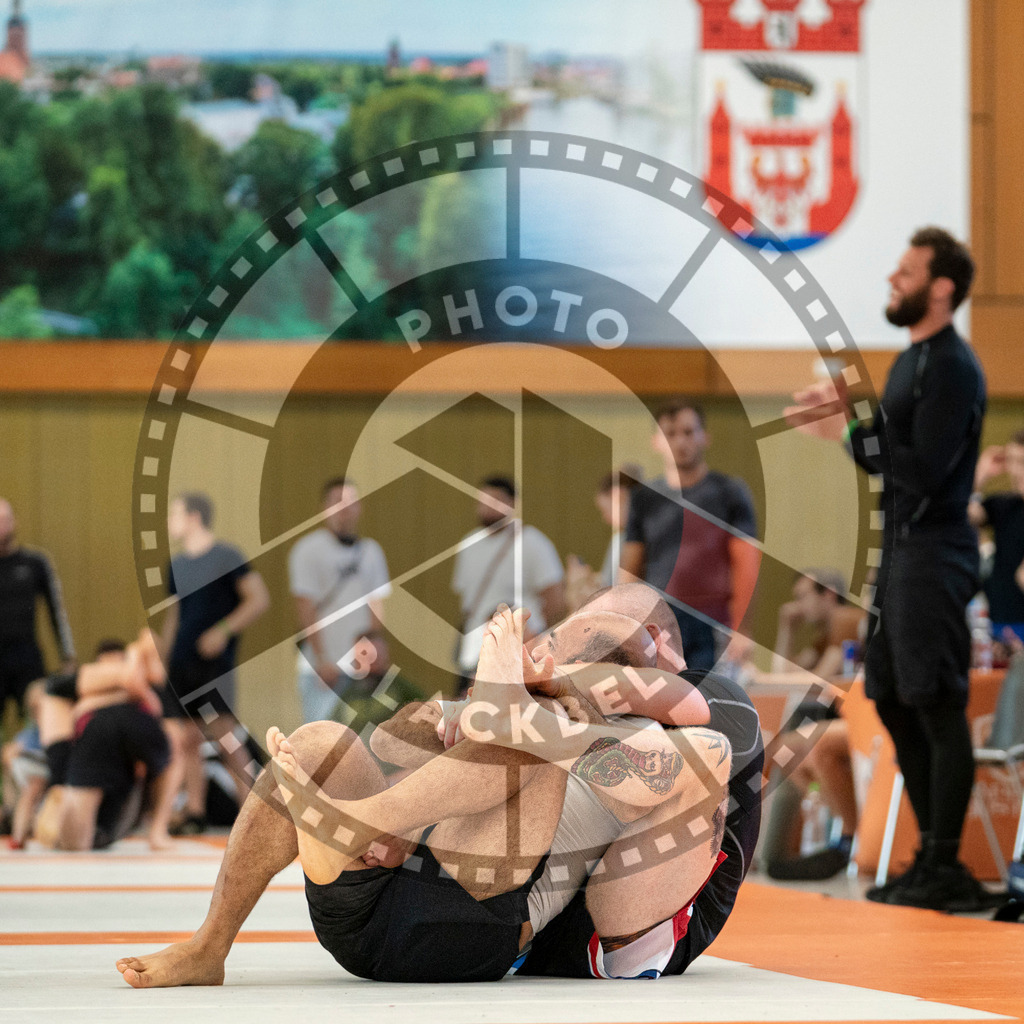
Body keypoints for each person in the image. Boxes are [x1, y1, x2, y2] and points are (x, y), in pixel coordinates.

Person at [114, 583, 761, 987]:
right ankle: (209, 947)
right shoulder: (558, 698)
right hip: (386, 911)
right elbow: (394, 740)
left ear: (652, 641)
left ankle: (370, 822)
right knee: (320, 746)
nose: (563, 646)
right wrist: (478, 707)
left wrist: (525, 707)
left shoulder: (709, 705)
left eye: (586, 634)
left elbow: (670, 752)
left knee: (536, 743)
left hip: (496, 929)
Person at [785, 226, 998, 911]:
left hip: (934, 552)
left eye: (906, 273)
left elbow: (925, 471)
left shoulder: (953, 367)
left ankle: (946, 864)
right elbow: (893, 454)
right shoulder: (911, 363)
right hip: (901, 552)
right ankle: (929, 850)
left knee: (936, 702)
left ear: (942, 287)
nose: (892, 281)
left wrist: (848, 428)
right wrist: (850, 414)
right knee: (892, 695)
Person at [619, 401, 760, 672]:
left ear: (704, 437)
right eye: (670, 433)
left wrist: (743, 630)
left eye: (688, 432)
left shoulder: (729, 492)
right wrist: (622, 622)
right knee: (663, 706)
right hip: (660, 621)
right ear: (656, 442)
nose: (680, 441)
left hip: (713, 622)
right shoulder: (645, 498)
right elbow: (630, 569)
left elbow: (746, 564)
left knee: (709, 707)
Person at [160, 492, 270, 835]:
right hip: (182, 663)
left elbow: (259, 599)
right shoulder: (176, 564)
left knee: (225, 736)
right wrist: (164, 659)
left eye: (175, 513)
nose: (170, 521)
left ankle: (253, 812)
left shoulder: (226, 556)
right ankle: (195, 811)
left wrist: (223, 630)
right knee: (188, 740)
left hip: (214, 665)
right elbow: (174, 616)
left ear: (193, 516)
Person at [745, 570, 864, 880]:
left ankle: (848, 838)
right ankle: (833, 835)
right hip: (840, 721)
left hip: (863, 721)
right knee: (786, 750)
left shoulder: (845, 619)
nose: (796, 607)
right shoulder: (824, 634)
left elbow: (818, 683)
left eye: (802, 597)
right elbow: (784, 676)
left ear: (827, 595)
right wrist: (787, 628)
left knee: (793, 747)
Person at [32, 633, 174, 851]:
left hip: (113, 776)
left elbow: (138, 679)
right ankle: (156, 829)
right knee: (78, 837)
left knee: (171, 746)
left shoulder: (134, 698)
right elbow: (130, 679)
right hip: (89, 768)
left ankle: (157, 828)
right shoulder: (69, 695)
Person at [288, 477, 392, 723]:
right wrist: (322, 659)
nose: (345, 508)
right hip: (322, 667)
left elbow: (376, 606)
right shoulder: (308, 550)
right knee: (321, 743)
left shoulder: (371, 552)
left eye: (351, 501)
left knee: (359, 743)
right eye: (338, 501)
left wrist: (374, 655)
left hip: (359, 667)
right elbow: (306, 607)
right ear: (324, 508)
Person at [452, 475, 565, 692]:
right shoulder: (468, 544)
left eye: (495, 500)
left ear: (512, 504)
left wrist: (533, 637)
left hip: (520, 648)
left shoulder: (532, 542)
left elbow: (554, 598)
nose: (487, 506)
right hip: (476, 648)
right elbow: (465, 599)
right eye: (482, 500)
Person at [0, 497, 76, 716]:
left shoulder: (36, 563)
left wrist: (68, 657)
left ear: (14, 522)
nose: (2, 525)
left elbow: (57, 612)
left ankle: (30, 749)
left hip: (26, 658)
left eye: (5, 519)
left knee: (40, 716)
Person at [969, 429, 1024, 650]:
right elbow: (961, 514)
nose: (1016, 470)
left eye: (1021, 462)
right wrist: (979, 476)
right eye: (1012, 461)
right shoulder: (1004, 505)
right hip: (1000, 626)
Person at [565, 465, 643, 612]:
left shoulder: (627, 540)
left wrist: (582, 585)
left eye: (605, 510)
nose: (605, 519)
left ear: (619, 496)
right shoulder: (619, 538)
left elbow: (618, 596)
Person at [1, 679, 48, 848]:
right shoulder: (30, 733)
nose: (37, 712)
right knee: (31, 788)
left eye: (40, 706)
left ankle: (19, 834)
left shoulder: (58, 727)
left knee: (32, 788)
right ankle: (18, 834)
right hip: (29, 776)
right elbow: (10, 753)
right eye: (34, 708)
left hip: (45, 775)